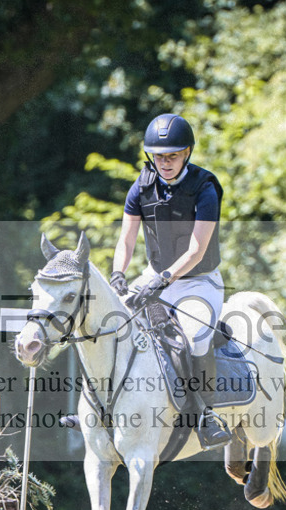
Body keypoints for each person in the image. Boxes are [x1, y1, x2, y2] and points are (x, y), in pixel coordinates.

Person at [110, 113, 231, 449]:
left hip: (197, 281)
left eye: (173, 156)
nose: (165, 162)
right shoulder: (141, 186)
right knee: (111, 320)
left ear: (187, 153)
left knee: (193, 339)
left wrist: (162, 280)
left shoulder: (205, 188)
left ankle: (205, 413)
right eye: (159, 156)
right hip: (154, 274)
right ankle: (103, 407)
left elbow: (195, 251)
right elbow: (126, 241)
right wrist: (119, 274)